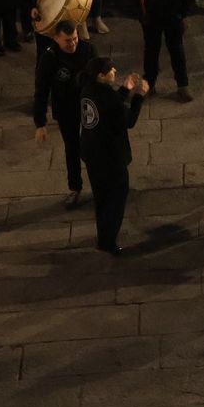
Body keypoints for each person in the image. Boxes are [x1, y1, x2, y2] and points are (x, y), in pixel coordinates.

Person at [79, 56, 149, 255]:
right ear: (101, 76)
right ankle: (109, 240)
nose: (115, 71)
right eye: (111, 70)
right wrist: (139, 96)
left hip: (91, 153)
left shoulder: (87, 88)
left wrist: (125, 88)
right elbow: (128, 119)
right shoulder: (107, 97)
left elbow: (109, 107)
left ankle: (103, 236)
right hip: (110, 156)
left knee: (101, 198)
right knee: (116, 197)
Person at [34, 20, 95, 208]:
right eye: (68, 40)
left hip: (88, 108)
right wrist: (40, 123)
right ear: (56, 39)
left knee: (94, 148)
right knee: (72, 148)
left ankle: (99, 185)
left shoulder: (88, 50)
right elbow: (41, 90)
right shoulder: (49, 59)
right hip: (66, 109)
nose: (73, 44)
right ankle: (75, 187)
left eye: (75, 38)